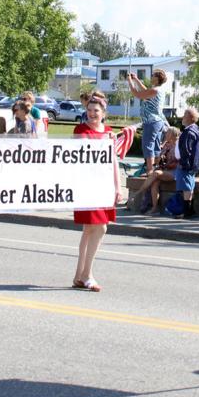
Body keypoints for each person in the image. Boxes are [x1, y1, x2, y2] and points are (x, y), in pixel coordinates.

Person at [72, 93, 119, 291]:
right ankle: (87, 274)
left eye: (96, 111)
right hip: (88, 184)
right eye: (89, 111)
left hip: (104, 184)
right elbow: (81, 151)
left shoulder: (108, 132)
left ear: (103, 113)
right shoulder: (81, 130)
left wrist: (117, 186)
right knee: (99, 228)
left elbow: (113, 160)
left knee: (90, 230)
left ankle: (79, 275)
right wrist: (104, 140)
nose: (92, 114)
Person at [127, 69, 169, 168]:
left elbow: (137, 94)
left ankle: (149, 170)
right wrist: (136, 79)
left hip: (151, 122)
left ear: (158, 78)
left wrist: (130, 81)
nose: (151, 77)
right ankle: (157, 168)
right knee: (155, 147)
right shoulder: (157, 90)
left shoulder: (155, 90)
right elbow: (145, 91)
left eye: (153, 75)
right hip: (157, 122)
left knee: (148, 146)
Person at [142, 126, 180, 214]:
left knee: (156, 173)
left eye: (167, 133)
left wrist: (166, 162)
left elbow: (176, 162)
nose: (165, 134)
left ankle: (139, 193)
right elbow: (158, 161)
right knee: (155, 183)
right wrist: (159, 158)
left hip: (175, 172)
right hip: (165, 170)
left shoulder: (178, 146)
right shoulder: (165, 145)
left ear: (172, 135)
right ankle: (155, 208)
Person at [173, 107, 199, 219]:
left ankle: (187, 212)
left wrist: (183, 163)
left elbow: (186, 150)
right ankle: (189, 211)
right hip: (190, 164)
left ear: (190, 118)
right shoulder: (194, 130)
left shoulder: (189, 132)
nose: (183, 117)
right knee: (189, 187)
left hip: (186, 165)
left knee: (187, 188)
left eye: (185, 115)